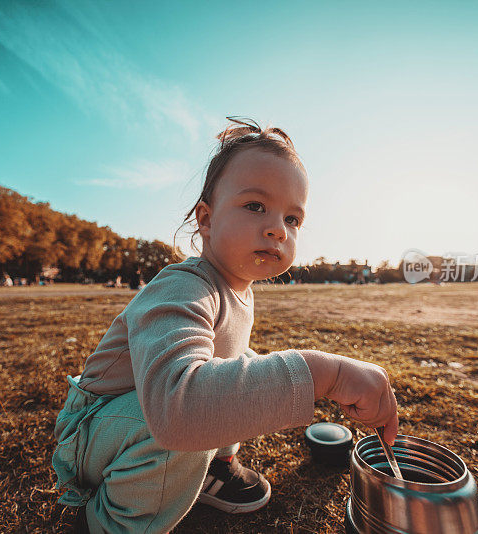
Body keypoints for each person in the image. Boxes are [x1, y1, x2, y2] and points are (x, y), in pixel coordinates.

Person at [52, 117, 399, 533]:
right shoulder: (182, 285)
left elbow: (230, 379)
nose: (277, 228)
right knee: (188, 407)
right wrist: (328, 374)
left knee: (242, 361)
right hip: (95, 433)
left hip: (136, 427)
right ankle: (105, 524)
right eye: (255, 206)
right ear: (207, 220)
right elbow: (175, 410)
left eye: (293, 219)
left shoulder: (240, 289)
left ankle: (216, 466)